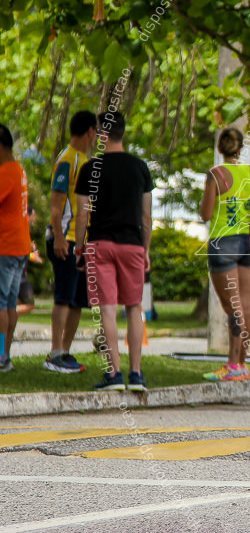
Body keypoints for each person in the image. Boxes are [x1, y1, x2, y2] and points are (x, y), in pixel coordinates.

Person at [74, 111, 153, 391]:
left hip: (101, 245)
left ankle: (114, 374)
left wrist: (80, 246)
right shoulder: (140, 168)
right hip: (132, 245)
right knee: (134, 307)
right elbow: (146, 216)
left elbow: (82, 215)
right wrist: (146, 250)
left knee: (107, 310)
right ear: (122, 132)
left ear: (102, 134)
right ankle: (137, 375)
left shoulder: (90, 168)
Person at [199, 128, 250, 382]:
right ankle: (242, 364)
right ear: (240, 147)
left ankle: (232, 365)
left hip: (223, 243)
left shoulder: (216, 174)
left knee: (231, 307)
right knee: (245, 304)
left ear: (219, 149)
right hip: (247, 243)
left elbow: (206, 213)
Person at [46, 110, 97, 373]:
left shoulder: (84, 160)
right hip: (63, 238)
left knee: (77, 300)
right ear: (90, 131)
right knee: (64, 297)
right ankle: (54, 352)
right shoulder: (67, 159)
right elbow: (55, 205)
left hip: (80, 241)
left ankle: (65, 351)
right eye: (96, 131)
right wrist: (57, 237)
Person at [0, 124, 31, 373]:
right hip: (18, 246)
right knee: (9, 304)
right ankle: (4, 355)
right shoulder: (18, 169)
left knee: (1, 305)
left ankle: (1, 354)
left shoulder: (6, 173)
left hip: (6, 246)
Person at [17, 206, 42, 316]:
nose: (35, 219)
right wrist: (32, 256)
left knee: (15, 304)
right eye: (33, 215)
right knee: (27, 304)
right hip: (18, 274)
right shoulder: (19, 230)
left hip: (20, 273)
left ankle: (7, 333)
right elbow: (19, 253)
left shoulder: (24, 231)